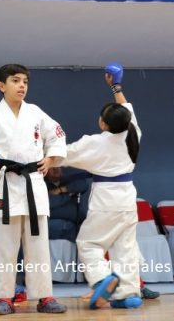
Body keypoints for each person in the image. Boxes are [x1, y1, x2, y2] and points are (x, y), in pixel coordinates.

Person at [0, 64, 68, 316]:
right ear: (1, 86)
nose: (22, 86)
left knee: (38, 245)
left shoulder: (35, 112)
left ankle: (44, 296)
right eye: (15, 81)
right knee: (3, 245)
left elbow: (57, 136)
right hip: (7, 183)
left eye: (25, 82)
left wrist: (50, 159)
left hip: (33, 182)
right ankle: (3, 297)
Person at [61, 65, 143, 309]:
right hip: (128, 199)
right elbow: (126, 109)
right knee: (125, 248)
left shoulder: (94, 143)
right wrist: (116, 87)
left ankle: (101, 279)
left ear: (103, 124)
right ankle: (128, 294)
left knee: (89, 243)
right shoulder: (133, 132)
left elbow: (62, 155)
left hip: (106, 201)